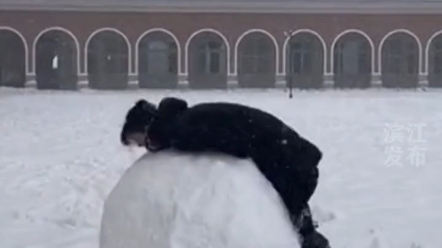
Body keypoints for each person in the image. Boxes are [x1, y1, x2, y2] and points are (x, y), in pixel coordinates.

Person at [121, 97, 331, 248]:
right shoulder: (185, 120)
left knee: (301, 228)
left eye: (140, 141)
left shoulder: (183, 130)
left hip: (288, 160)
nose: (144, 147)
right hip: (292, 155)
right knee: (300, 226)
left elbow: (237, 143)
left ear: (148, 127)